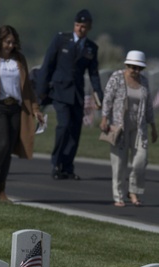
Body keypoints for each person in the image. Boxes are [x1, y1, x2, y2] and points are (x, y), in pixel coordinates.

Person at [0, 25, 44, 202]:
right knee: (2, 144)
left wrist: (36, 109)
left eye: (13, 42)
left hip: (15, 108)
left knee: (9, 149)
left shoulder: (19, 60)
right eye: (7, 42)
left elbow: (27, 86)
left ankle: (1, 187)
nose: (10, 46)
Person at [36, 8, 103, 180]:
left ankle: (68, 166)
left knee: (75, 131)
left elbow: (93, 73)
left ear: (89, 27)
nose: (80, 29)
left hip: (77, 94)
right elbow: (47, 64)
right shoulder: (61, 40)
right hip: (59, 91)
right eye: (78, 25)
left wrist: (98, 95)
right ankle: (56, 163)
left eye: (84, 26)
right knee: (63, 125)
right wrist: (41, 91)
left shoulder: (91, 48)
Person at [100, 50, 158, 206]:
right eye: (133, 67)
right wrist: (104, 118)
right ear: (127, 65)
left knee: (141, 159)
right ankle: (118, 196)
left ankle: (133, 191)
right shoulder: (117, 78)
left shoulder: (144, 82)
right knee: (119, 163)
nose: (136, 71)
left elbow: (149, 105)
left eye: (139, 68)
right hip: (119, 126)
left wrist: (153, 126)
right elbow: (108, 98)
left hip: (139, 127)